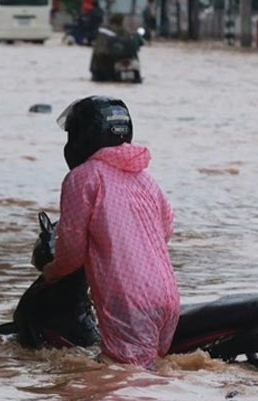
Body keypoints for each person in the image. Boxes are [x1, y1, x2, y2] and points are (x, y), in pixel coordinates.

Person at [42, 96, 180, 368]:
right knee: (152, 381)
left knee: (126, 387)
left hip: (128, 302)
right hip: (167, 298)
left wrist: (53, 271)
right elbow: (166, 228)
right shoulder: (145, 178)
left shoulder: (83, 178)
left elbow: (71, 249)